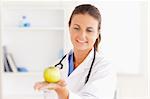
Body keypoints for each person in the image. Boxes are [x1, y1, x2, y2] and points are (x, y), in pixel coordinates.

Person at [34, 4, 116, 99]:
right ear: (69, 28)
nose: (82, 35)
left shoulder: (104, 68)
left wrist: (63, 92)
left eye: (89, 30)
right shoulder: (56, 66)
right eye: (77, 28)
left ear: (97, 33)